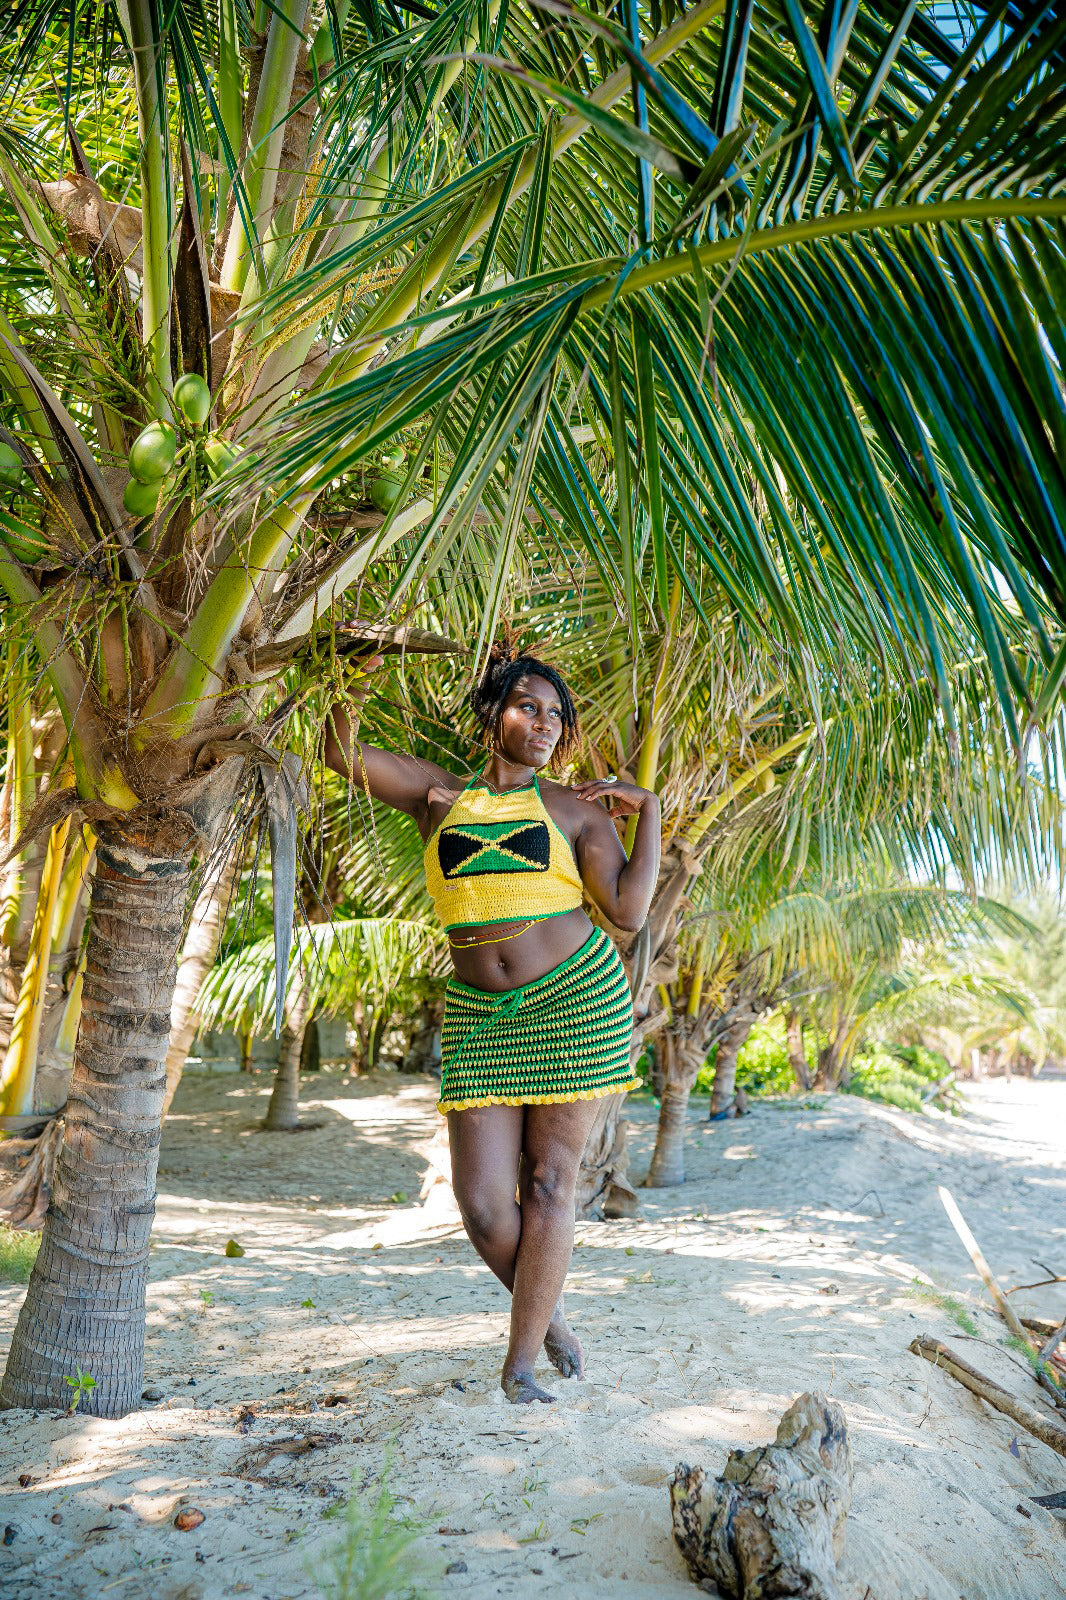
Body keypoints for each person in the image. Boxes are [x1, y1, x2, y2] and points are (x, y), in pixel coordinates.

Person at [324, 642, 661, 1404]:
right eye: (528, 707)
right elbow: (338, 750)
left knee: (548, 1182)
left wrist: (653, 815)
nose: (543, 724)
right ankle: (547, 1317)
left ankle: (519, 1367)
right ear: (495, 714)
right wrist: (352, 675)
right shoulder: (438, 795)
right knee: (480, 1203)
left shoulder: (575, 811)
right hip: (480, 1015)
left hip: (576, 1000)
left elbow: (629, 912)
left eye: (555, 716)